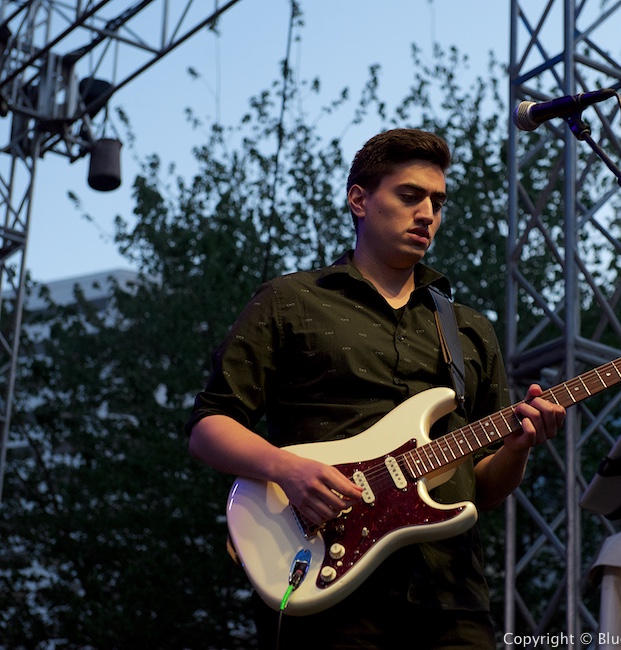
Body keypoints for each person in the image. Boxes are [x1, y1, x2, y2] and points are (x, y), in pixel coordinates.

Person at [186, 128, 566, 649]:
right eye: (410, 196)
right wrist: (286, 469)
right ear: (359, 200)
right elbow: (209, 426)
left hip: (450, 597)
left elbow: (483, 488)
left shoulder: (469, 329)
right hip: (324, 581)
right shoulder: (290, 300)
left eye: (438, 201)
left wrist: (520, 447)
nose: (427, 213)